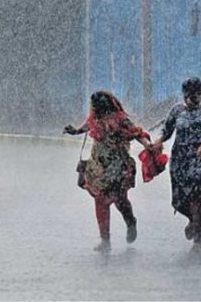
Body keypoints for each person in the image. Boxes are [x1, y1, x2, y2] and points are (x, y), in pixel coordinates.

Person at [64, 91, 152, 252]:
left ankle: (130, 221)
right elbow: (86, 126)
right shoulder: (94, 117)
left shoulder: (120, 118)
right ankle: (105, 240)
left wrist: (147, 144)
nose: (96, 109)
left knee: (120, 199)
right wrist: (74, 131)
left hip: (118, 166)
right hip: (99, 167)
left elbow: (136, 133)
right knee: (100, 200)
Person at [153, 77, 201, 248]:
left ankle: (198, 232)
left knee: (196, 193)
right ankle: (193, 220)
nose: (191, 98)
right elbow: (167, 130)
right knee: (180, 198)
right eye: (187, 95)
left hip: (198, 160)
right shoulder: (177, 110)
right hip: (180, 160)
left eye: (195, 95)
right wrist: (159, 141)